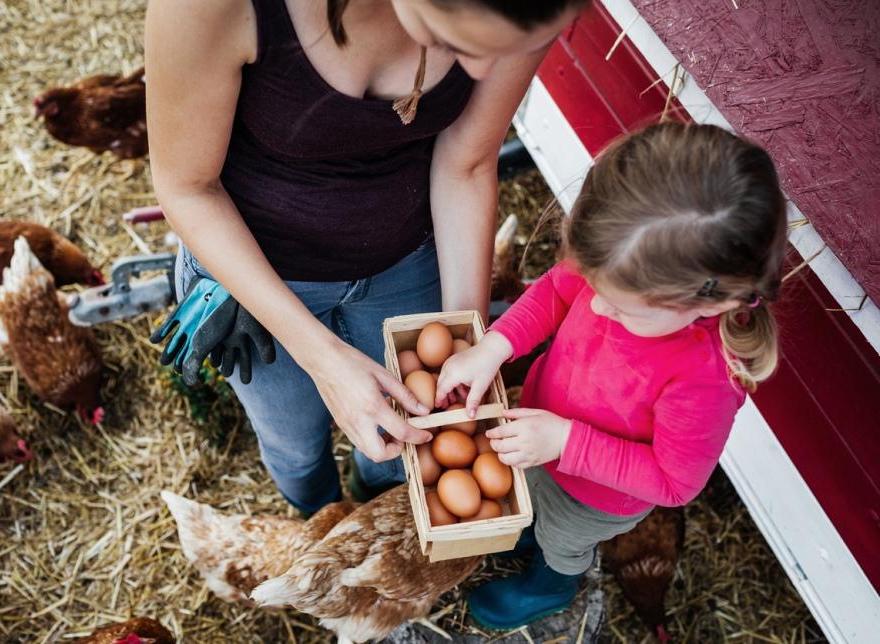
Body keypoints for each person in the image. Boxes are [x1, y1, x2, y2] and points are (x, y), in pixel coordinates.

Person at [144, 0, 586, 514]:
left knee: (404, 440)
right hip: (254, 277)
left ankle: (374, 499)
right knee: (293, 439)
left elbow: (466, 163)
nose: (483, 71)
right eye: (463, 38)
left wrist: (463, 336)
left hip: (407, 256)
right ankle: (316, 513)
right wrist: (323, 359)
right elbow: (187, 188)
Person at [434, 121, 788, 629]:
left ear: (717, 300)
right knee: (528, 494)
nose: (596, 304)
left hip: (594, 494)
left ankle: (550, 587)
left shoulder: (705, 378)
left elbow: (674, 483)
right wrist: (495, 345)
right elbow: (557, 291)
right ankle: (531, 527)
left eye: (622, 309)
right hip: (539, 428)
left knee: (563, 540)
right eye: (595, 285)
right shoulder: (623, 259)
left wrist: (566, 442)